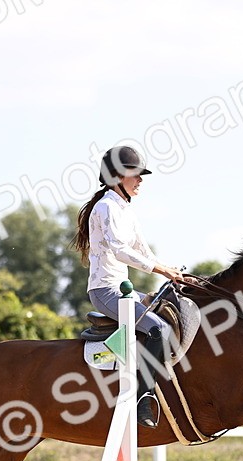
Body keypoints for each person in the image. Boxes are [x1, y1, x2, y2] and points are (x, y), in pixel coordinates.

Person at [72, 145, 187, 428]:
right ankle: (143, 397)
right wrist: (160, 270)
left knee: (169, 310)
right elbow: (120, 250)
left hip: (123, 290)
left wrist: (173, 272)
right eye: (135, 174)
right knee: (158, 329)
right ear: (116, 177)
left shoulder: (125, 210)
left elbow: (143, 250)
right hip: (105, 291)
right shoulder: (105, 207)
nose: (140, 180)